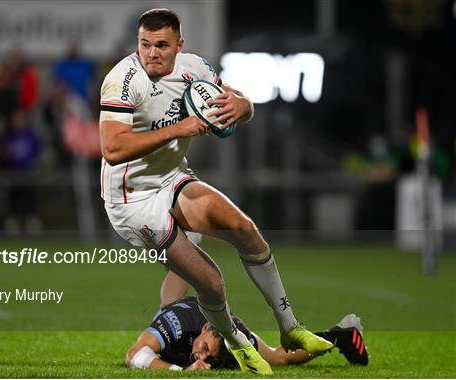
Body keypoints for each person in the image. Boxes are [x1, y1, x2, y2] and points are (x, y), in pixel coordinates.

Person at [99, 8, 332, 374]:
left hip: (172, 179)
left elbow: (235, 104)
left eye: (161, 45)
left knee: (244, 229)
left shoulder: (196, 69)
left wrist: (244, 106)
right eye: (145, 45)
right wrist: (180, 129)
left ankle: (290, 327)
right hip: (132, 202)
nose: (152, 53)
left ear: (179, 45)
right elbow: (112, 150)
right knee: (211, 283)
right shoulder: (123, 80)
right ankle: (237, 344)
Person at [125, 272, 369, 371]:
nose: (203, 359)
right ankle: (186, 240)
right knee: (168, 302)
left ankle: (340, 334)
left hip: (227, 321)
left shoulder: (233, 346)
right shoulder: (178, 322)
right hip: (186, 310)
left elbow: (279, 356)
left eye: (211, 358)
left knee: (278, 358)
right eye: (205, 349)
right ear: (205, 329)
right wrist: (178, 371)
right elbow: (134, 355)